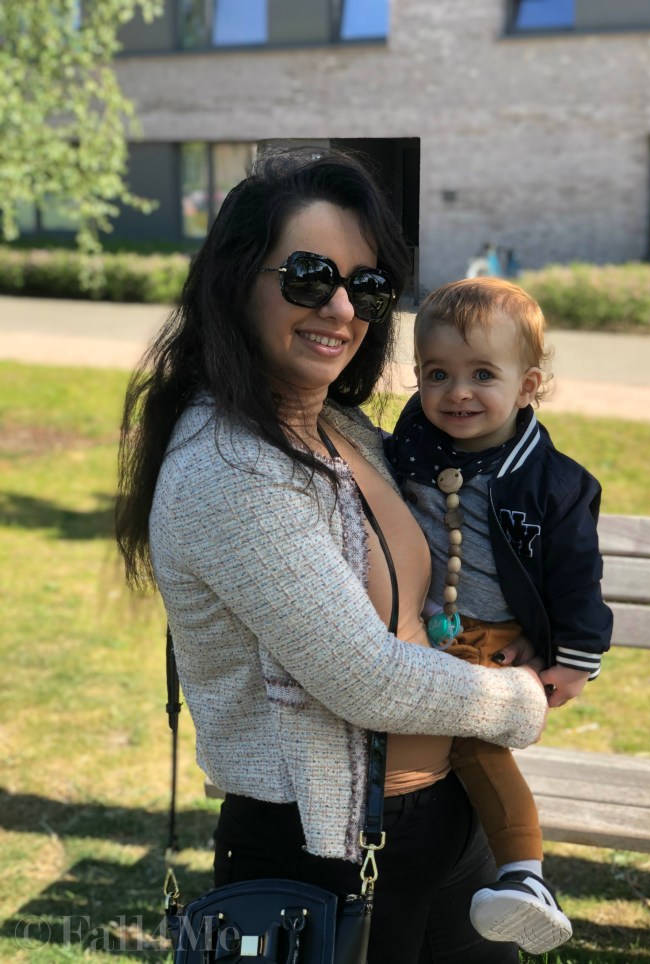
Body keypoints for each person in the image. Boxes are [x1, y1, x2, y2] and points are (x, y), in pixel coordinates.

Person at [116, 148, 549, 964]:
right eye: (310, 276)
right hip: (322, 851)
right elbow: (366, 677)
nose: (343, 308)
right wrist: (520, 697)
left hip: (449, 815)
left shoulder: (345, 431)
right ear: (236, 279)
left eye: (369, 285)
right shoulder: (227, 467)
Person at [385, 276, 614, 954]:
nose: (456, 392)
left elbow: (577, 577)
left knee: (475, 747)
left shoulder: (551, 483)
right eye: (436, 374)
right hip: (426, 630)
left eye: (482, 374)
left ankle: (524, 875)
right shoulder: (412, 441)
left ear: (527, 385)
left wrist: (571, 659)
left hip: (491, 643)